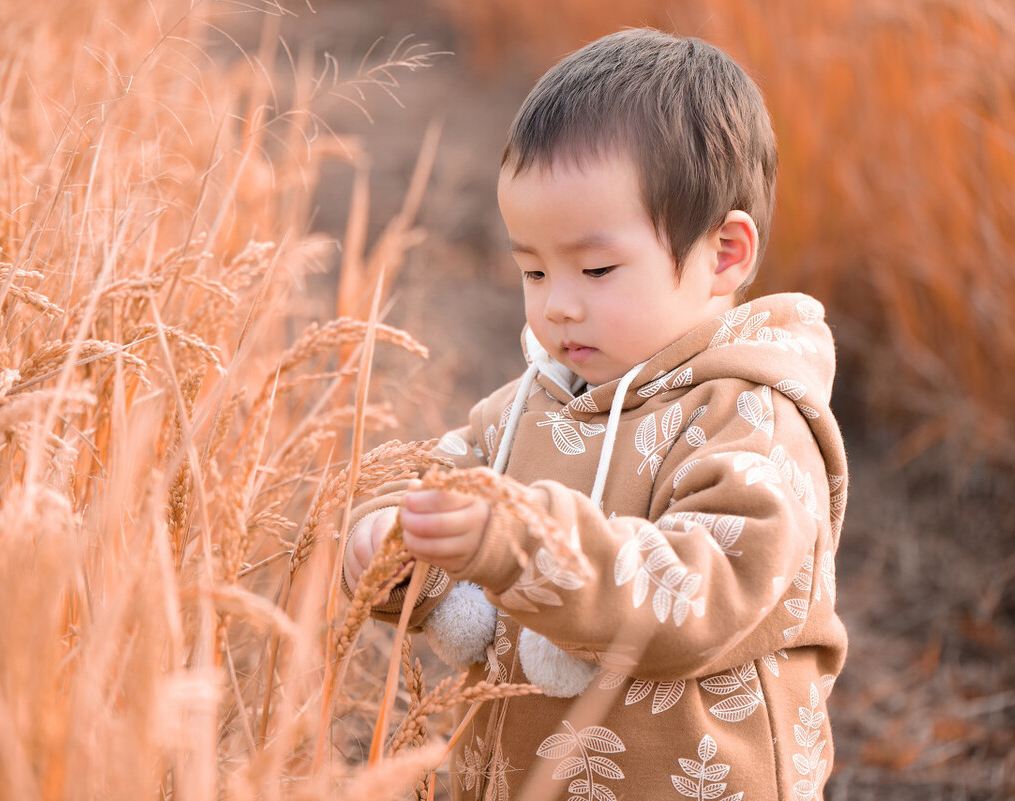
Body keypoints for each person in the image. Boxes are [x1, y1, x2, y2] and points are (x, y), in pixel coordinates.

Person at [343, 28, 848, 801]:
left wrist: (522, 544)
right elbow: (439, 481)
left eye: (597, 268)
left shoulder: (753, 419)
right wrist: (395, 543)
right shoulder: (526, 407)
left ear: (724, 254)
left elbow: (700, 596)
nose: (557, 303)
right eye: (533, 269)